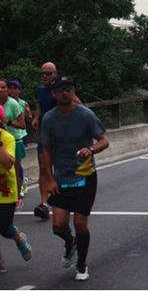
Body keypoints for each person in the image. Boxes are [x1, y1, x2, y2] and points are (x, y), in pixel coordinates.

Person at [39, 75, 109, 281]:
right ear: (53, 93)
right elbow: (46, 151)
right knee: (58, 226)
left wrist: (90, 149)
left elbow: (104, 140)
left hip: (85, 177)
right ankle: (70, 243)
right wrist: (49, 179)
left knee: (80, 223)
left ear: (73, 91)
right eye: (60, 89)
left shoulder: (86, 115)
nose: (64, 93)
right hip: (61, 179)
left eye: (68, 89)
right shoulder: (49, 119)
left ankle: (81, 265)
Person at [31, 62, 81, 220]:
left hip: (62, 135)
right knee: (43, 167)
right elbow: (39, 105)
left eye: (48, 74)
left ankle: (69, 197)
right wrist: (37, 117)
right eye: (43, 74)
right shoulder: (40, 90)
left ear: (55, 73)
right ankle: (44, 203)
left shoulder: (62, 89)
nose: (45, 77)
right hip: (45, 134)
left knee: (64, 166)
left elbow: (78, 104)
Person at [0, 105, 32, 273]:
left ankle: (19, 240)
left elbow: (7, 163)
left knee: (5, 229)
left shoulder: (8, 138)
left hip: (5, 190)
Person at [0, 80, 27, 211]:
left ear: (7, 90)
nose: (1, 90)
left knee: (14, 171)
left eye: (3, 87)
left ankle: (17, 198)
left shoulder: (13, 104)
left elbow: (22, 124)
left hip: (14, 140)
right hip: (1, 141)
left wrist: (8, 121)